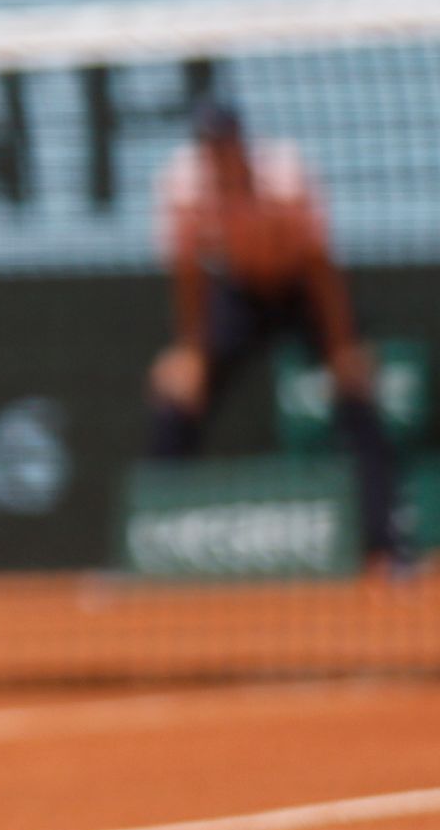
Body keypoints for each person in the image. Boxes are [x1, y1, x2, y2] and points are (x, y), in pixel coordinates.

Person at [148, 102, 410, 567]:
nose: (217, 153)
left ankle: (387, 545)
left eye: (224, 143)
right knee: (178, 397)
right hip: (240, 294)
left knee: (355, 396)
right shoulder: (183, 184)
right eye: (209, 145)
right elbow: (188, 275)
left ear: (240, 143)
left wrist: (342, 347)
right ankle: (149, 543)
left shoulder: (286, 176)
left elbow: (321, 268)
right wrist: (191, 350)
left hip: (301, 290)